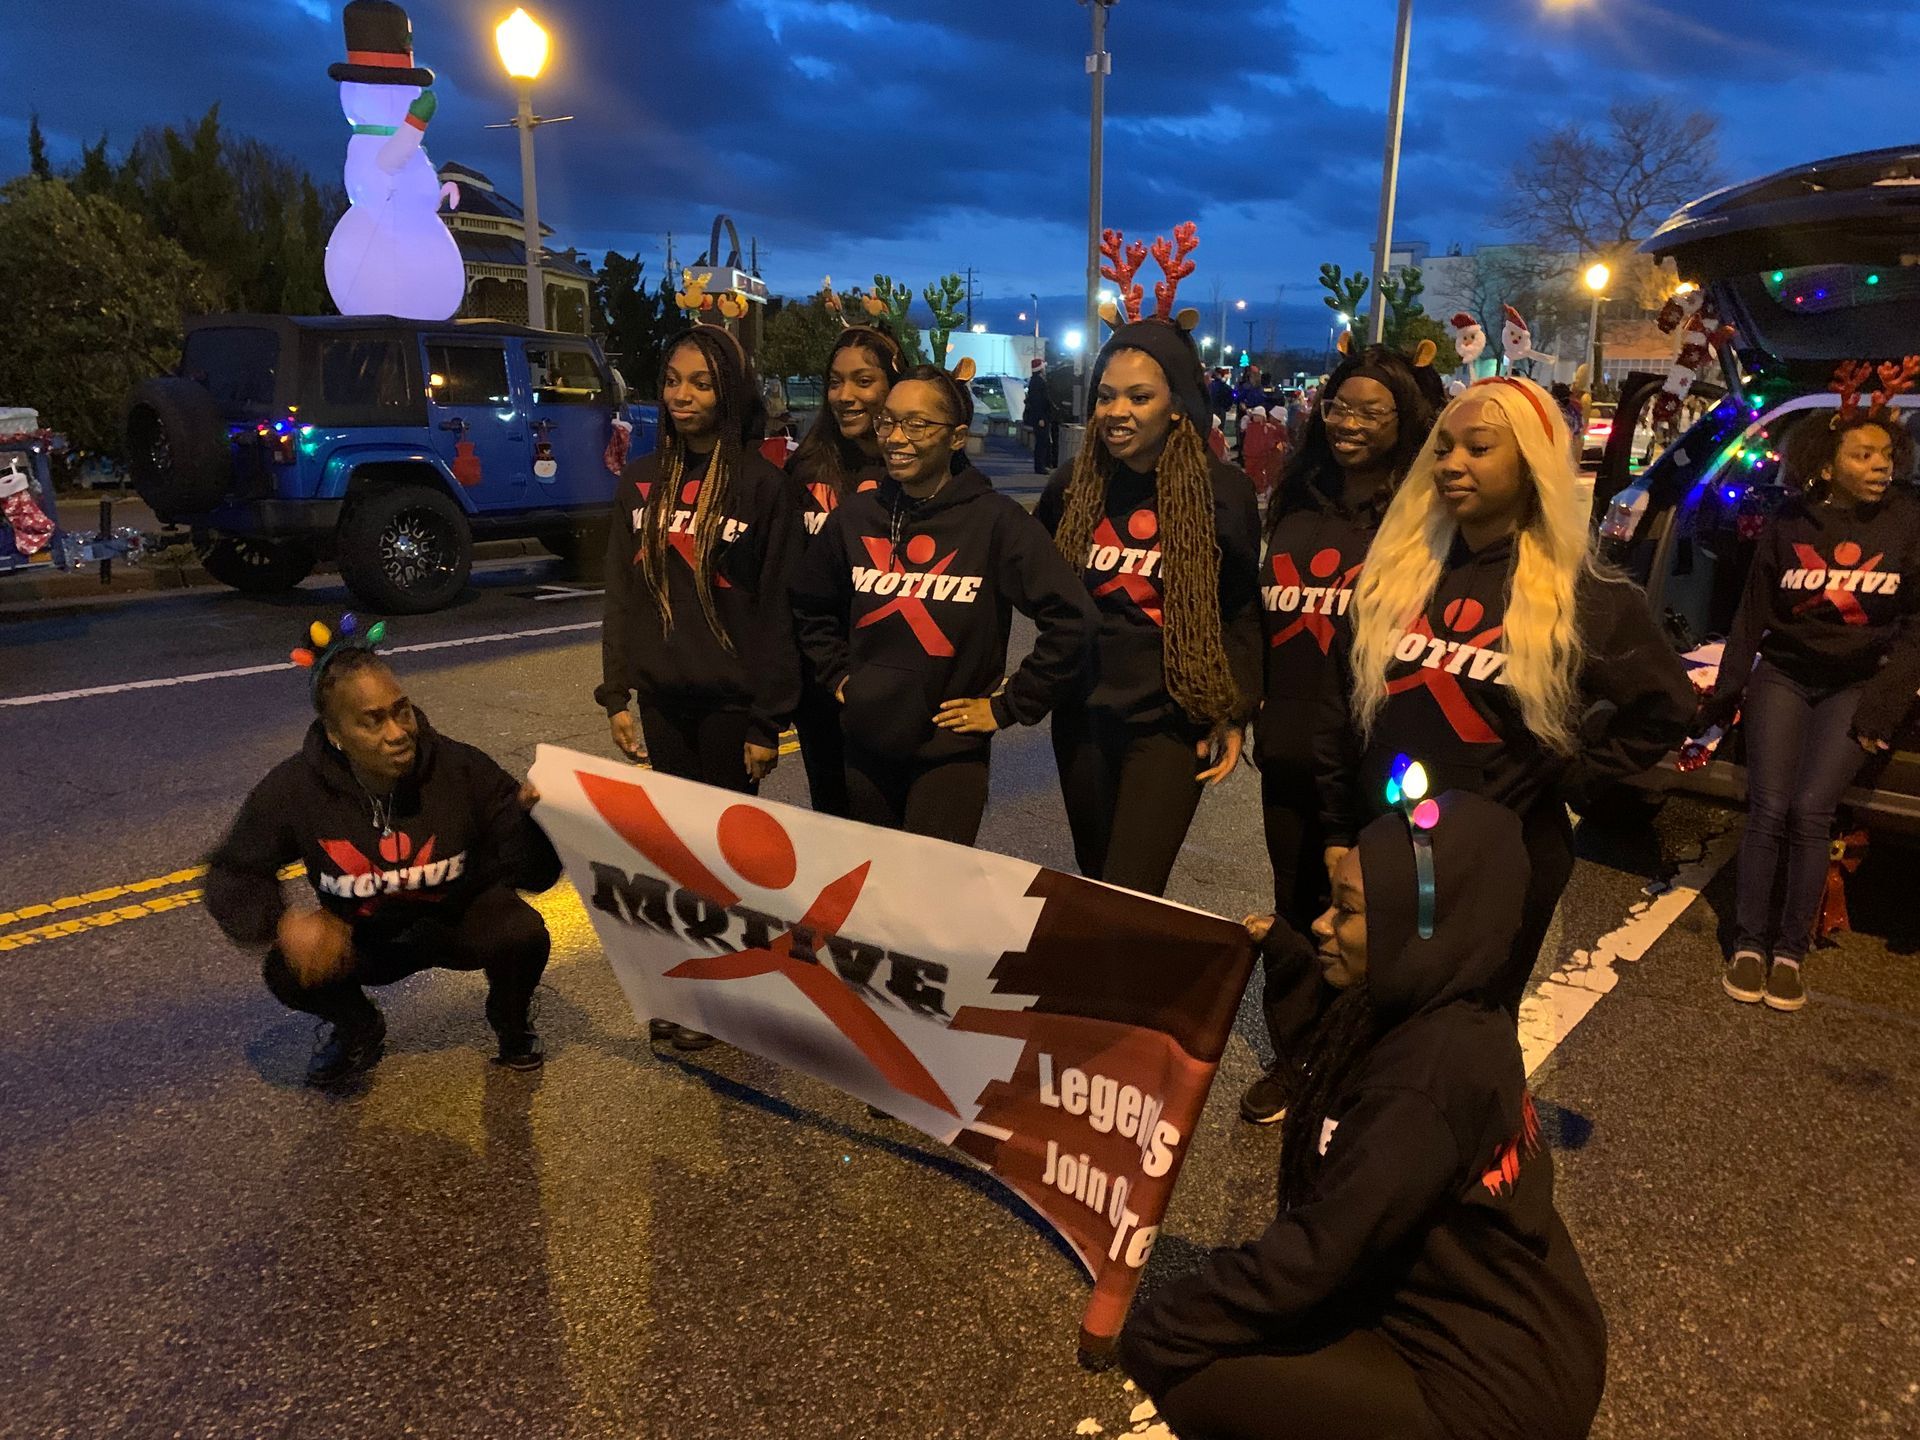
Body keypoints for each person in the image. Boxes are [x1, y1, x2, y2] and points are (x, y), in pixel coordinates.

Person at [1119, 789, 1607, 1440]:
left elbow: (1310, 1256)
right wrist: (1291, 957)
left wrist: (1157, 1322)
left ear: (1418, 927)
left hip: (1489, 1390)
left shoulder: (1423, 1087)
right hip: (1528, 1330)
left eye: (1345, 911)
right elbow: (1334, 1062)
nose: (1323, 923)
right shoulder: (1456, 1006)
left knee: (1196, 1364)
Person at [1319, 377, 1694, 1014]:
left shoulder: (1581, 591)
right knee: (1372, 1020)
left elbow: (1665, 704)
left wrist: (1574, 774)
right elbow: (1345, 710)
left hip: (1499, 867)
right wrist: (1337, 828)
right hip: (1386, 849)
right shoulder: (1399, 570)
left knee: (1462, 1036)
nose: (1452, 465)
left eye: (1479, 448)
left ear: (1529, 465)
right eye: (1442, 449)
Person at [206, 621, 562, 1089]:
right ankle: (358, 1027)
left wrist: (527, 820)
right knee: (287, 971)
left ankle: (511, 1019)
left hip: (454, 919)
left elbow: (535, 873)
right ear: (336, 733)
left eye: (402, 712)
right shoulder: (295, 789)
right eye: (372, 721)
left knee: (524, 934)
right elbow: (234, 871)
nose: (398, 733)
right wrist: (283, 923)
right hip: (365, 935)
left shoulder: (459, 768)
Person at [1241, 345, 1437, 1125]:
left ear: (1405, 421)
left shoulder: (1422, 517)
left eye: (1371, 411)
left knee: (1382, 911)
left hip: (1380, 753)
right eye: (1339, 407)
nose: (1349, 423)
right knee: (1298, 912)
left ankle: (1369, 1065)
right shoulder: (1297, 498)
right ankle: (1299, 1060)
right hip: (1288, 738)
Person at [1037, 247, 1262, 898]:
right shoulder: (1069, 487)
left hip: (1168, 723)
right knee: (1098, 879)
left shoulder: (1224, 492)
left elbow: (1241, 607)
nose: (1117, 411)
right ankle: (1105, 998)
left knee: (1130, 891)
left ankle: (1126, 997)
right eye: (1106, 397)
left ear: (1177, 405)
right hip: (1080, 716)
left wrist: (1234, 711)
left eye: (1139, 396)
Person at [793, 365, 1094, 843]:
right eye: (888, 422)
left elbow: (1073, 621)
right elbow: (810, 604)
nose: (896, 437)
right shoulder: (856, 517)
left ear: (956, 438)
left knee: (928, 903)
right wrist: (837, 674)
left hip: (949, 754)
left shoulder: (997, 523)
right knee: (871, 895)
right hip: (864, 745)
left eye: (917, 424)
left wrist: (1008, 706)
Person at [1698, 379, 1920, 1011]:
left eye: (1885, 455)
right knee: (1768, 807)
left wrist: (1884, 706)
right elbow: (1751, 614)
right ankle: (1748, 943)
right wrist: (1726, 693)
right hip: (1786, 676)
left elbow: (1916, 628)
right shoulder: (1789, 520)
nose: (1880, 465)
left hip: (1857, 685)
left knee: (1812, 811)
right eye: (1863, 455)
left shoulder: (1909, 522)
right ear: (1826, 465)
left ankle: (1790, 951)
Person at [597, 324, 804, 796]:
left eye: (701, 383)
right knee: (679, 848)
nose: (681, 395)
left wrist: (767, 721)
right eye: (672, 381)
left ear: (728, 393)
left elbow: (778, 609)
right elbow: (621, 596)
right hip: (660, 701)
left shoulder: (762, 486)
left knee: (727, 855)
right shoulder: (639, 480)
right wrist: (616, 697)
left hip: (732, 707)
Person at [785, 324, 906, 818]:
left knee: (894, 838)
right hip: (821, 684)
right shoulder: (808, 466)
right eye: (835, 382)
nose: (845, 396)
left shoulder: (913, 470)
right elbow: (785, 577)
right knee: (834, 826)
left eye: (863, 381)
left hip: (892, 686)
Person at [1022, 356, 1059, 474]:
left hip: (1041, 416)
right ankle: (1040, 466)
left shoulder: (1035, 381)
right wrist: (1041, 418)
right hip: (1041, 417)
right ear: (1040, 368)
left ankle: (1043, 464)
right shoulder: (1038, 382)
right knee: (1041, 442)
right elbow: (1038, 402)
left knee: (1044, 441)